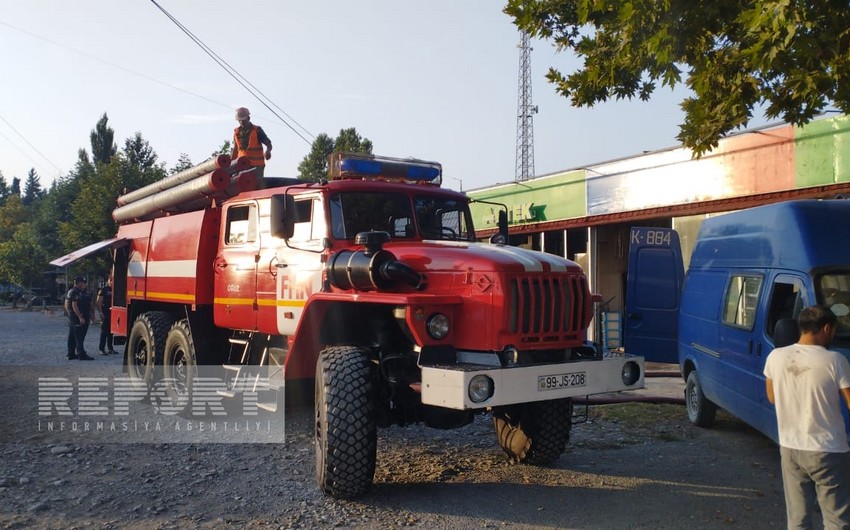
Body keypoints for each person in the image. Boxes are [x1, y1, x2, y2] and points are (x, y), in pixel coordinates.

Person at [764, 305, 850, 529]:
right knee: (836, 519)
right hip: (828, 450)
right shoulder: (835, 361)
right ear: (826, 328)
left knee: (798, 519)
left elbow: (772, 397)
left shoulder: (775, 357)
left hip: (791, 448)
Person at [230, 107, 272, 178]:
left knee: (258, 185)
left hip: (257, 166)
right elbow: (235, 150)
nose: (241, 122)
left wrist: (268, 151)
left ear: (248, 118)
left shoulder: (257, 130)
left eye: (243, 120)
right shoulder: (237, 132)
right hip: (242, 165)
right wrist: (230, 166)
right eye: (239, 120)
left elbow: (268, 143)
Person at [65, 276, 94, 361]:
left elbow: (89, 303)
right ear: (79, 283)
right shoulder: (74, 292)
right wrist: (80, 317)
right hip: (77, 317)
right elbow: (74, 305)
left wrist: (92, 314)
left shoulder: (84, 292)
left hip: (82, 315)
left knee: (73, 336)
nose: (85, 284)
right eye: (83, 282)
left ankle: (71, 353)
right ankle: (81, 353)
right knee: (79, 336)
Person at [97, 276, 117, 355]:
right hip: (105, 312)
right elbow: (98, 301)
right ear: (109, 280)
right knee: (104, 331)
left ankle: (110, 348)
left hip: (112, 312)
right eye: (111, 280)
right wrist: (100, 313)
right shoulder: (104, 289)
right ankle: (101, 349)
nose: (113, 282)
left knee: (111, 332)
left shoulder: (115, 289)